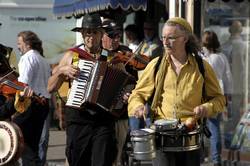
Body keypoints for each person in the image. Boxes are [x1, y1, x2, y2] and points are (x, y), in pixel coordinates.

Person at [128, 17, 226, 166]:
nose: (165, 42)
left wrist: (206, 108)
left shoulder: (202, 67)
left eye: (171, 38)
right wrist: (138, 107)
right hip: (161, 138)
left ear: (185, 39)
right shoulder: (156, 65)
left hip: (190, 137)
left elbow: (219, 99)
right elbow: (137, 94)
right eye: (163, 37)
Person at [47, 13, 117, 166]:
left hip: (103, 120)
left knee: (102, 161)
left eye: (94, 32)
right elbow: (50, 87)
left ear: (101, 34)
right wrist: (61, 71)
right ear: (82, 34)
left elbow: (122, 88)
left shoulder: (112, 58)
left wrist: (124, 95)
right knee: (77, 161)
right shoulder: (72, 56)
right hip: (78, 119)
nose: (90, 36)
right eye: (87, 32)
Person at [102, 18, 137, 166]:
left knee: (116, 154)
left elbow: (135, 82)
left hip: (120, 114)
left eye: (118, 35)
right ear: (101, 36)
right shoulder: (96, 54)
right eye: (111, 36)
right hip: (100, 114)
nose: (116, 39)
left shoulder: (126, 53)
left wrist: (129, 92)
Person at [17, 30, 51, 166]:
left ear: (28, 44)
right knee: (33, 146)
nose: (18, 46)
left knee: (26, 147)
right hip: (43, 105)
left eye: (19, 43)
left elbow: (23, 84)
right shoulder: (43, 60)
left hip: (30, 104)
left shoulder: (27, 58)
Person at [201, 30, 233, 166]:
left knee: (200, 127)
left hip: (203, 95)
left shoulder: (202, 58)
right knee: (214, 128)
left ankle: (202, 157)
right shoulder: (221, 57)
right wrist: (227, 96)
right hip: (218, 94)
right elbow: (228, 77)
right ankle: (216, 159)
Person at [221, 20, 246, 148]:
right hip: (241, 86)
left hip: (226, 87)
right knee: (237, 115)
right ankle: (234, 141)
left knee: (228, 115)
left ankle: (228, 139)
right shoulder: (244, 46)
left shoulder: (224, 46)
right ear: (240, 31)